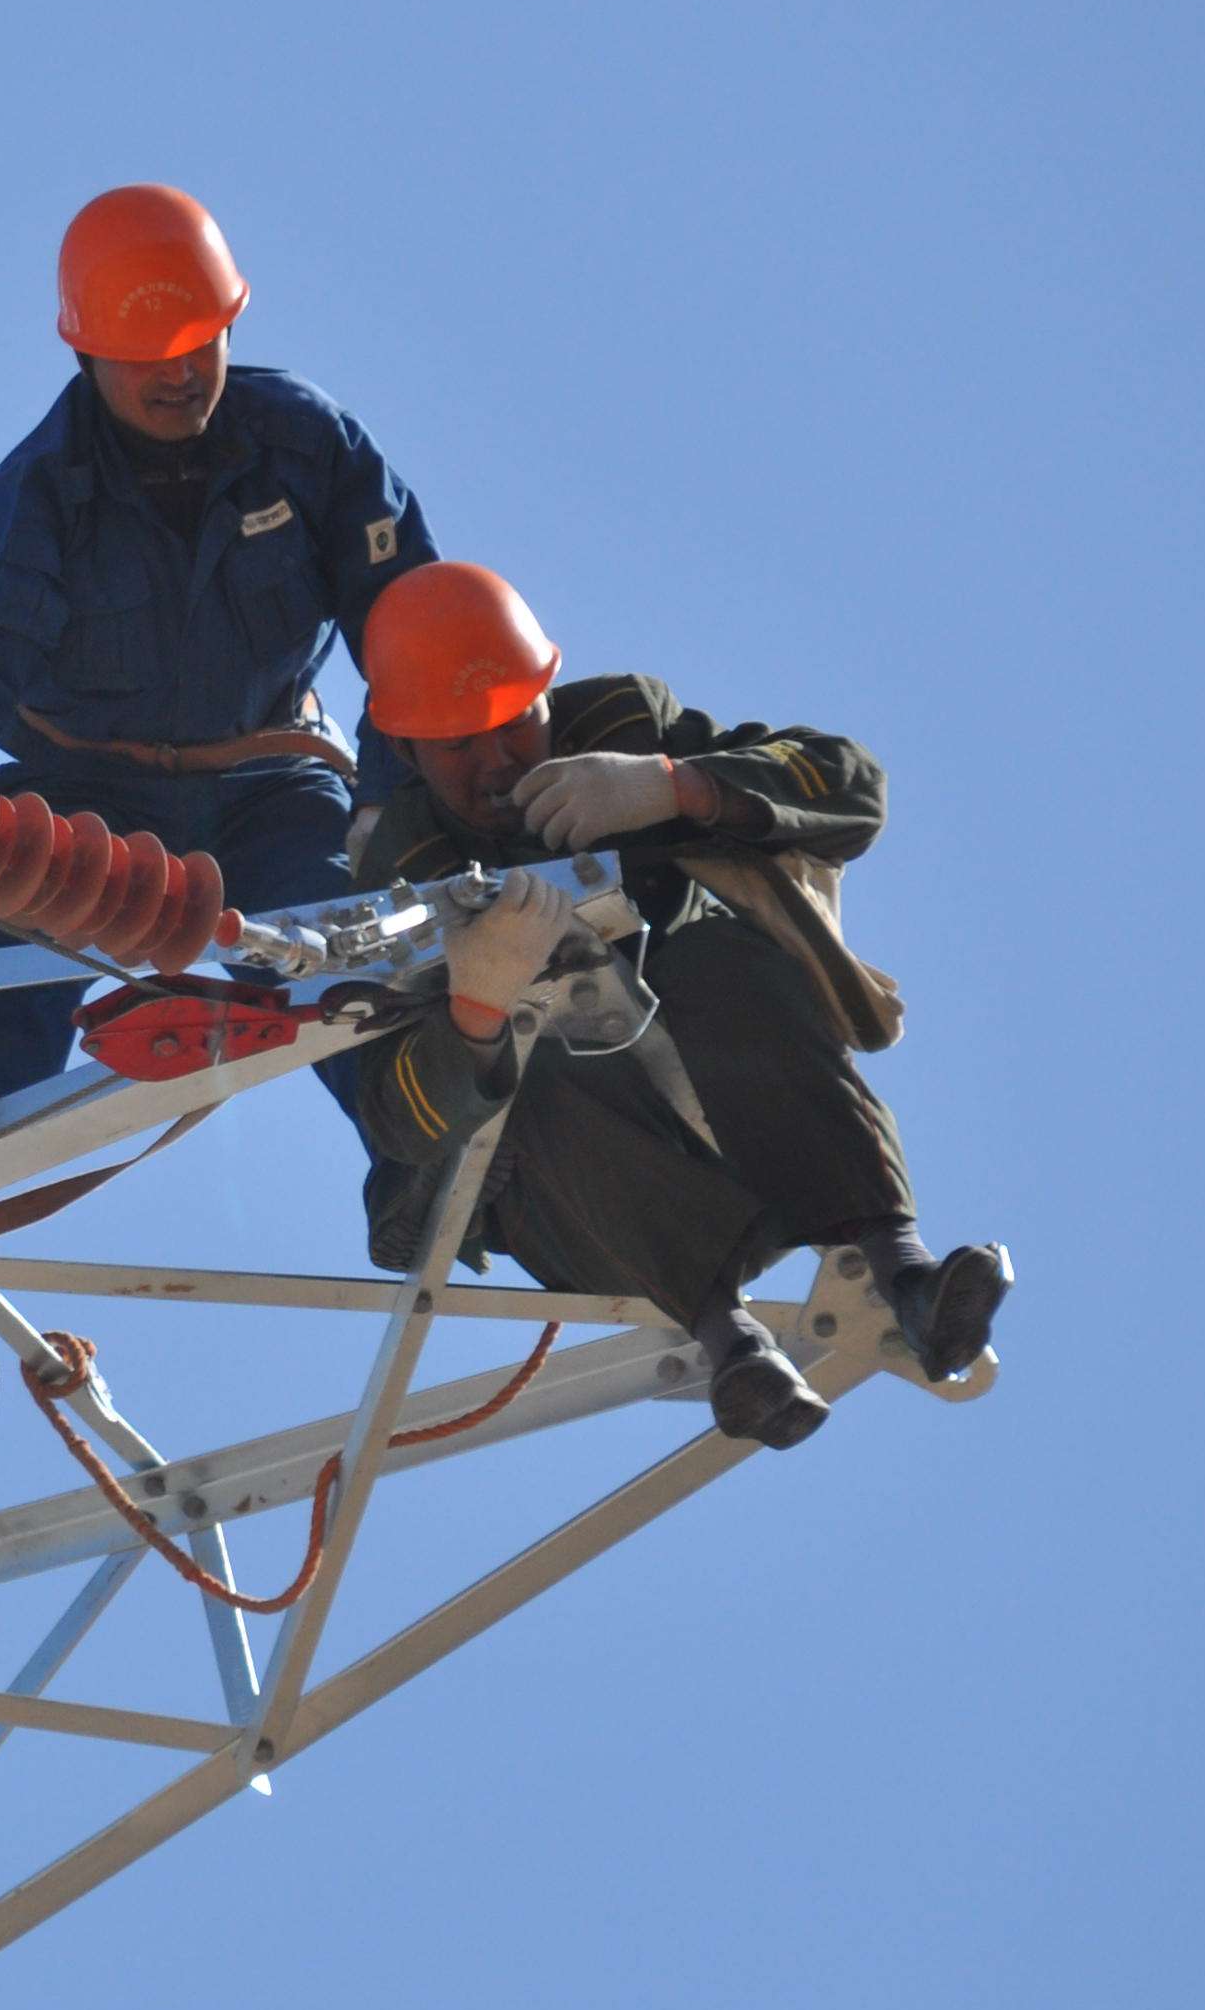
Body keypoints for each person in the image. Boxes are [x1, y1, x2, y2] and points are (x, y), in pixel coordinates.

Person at [330, 558, 1012, 1446]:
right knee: (537, 1068)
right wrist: (477, 1014)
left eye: (517, 724)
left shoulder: (617, 723)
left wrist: (677, 786)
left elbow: (848, 786)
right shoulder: (400, 880)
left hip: (738, 1102)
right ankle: (734, 1348)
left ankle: (907, 1273)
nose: (499, 764)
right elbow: (398, 1118)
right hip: (588, 1197)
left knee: (722, 957)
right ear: (409, 748)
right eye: (462, 743)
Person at [0, 184, 434, 1228]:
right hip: (85, 793)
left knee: (352, 950)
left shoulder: (309, 447)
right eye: (150, 352)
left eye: (200, 341)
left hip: (268, 787)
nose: (181, 372)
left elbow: (410, 624)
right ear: (85, 354)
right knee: (12, 941)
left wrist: (390, 800)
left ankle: (429, 1166)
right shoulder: (33, 502)